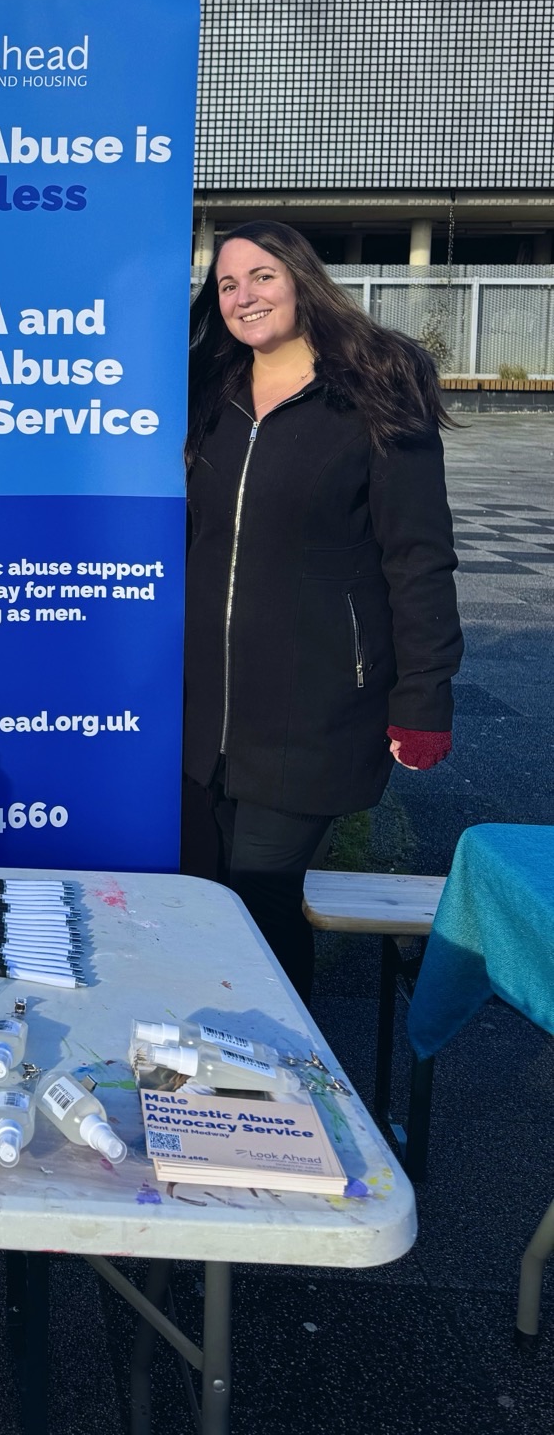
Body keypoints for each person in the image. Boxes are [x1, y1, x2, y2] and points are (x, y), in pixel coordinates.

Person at [181, 220, 462, 998]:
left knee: (262, 901)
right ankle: (202, 1071)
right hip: (204, 709)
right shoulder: (210, 393)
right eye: (228, 284)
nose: (244, 296)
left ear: (302, 279)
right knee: (205, 896)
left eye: (261, 276)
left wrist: (424, 698)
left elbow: (419, 557)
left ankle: (278, 1083)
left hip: (317, 704)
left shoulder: (374, 389)